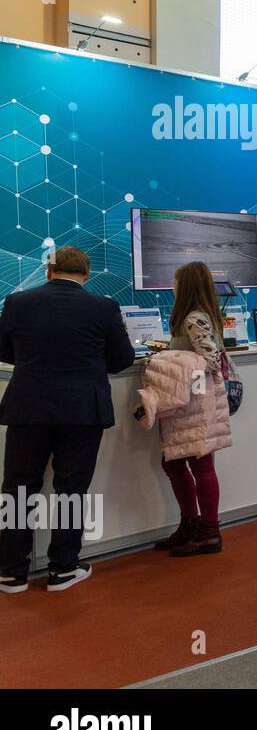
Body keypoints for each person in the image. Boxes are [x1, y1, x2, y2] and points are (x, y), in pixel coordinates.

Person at [0, 246, 135, 593]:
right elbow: (121, 358)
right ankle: (62, 568)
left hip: (28, 406)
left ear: (49, 271)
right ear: (86, 275)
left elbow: (3, 351)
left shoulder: (18, 303)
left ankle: (11, 571)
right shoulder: (104, 307)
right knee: (71, 488)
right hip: (82, 410)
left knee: (17, 489)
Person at [142, 261, 235, 557]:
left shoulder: (194, 318)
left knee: (199, 463)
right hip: (187, 400)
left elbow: (208, 358)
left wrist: (167, 361)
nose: (172, 286)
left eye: (176, 281)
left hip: (195, 400)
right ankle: (192, 524)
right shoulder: (196, 316)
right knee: (175, 462)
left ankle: (208, 531)